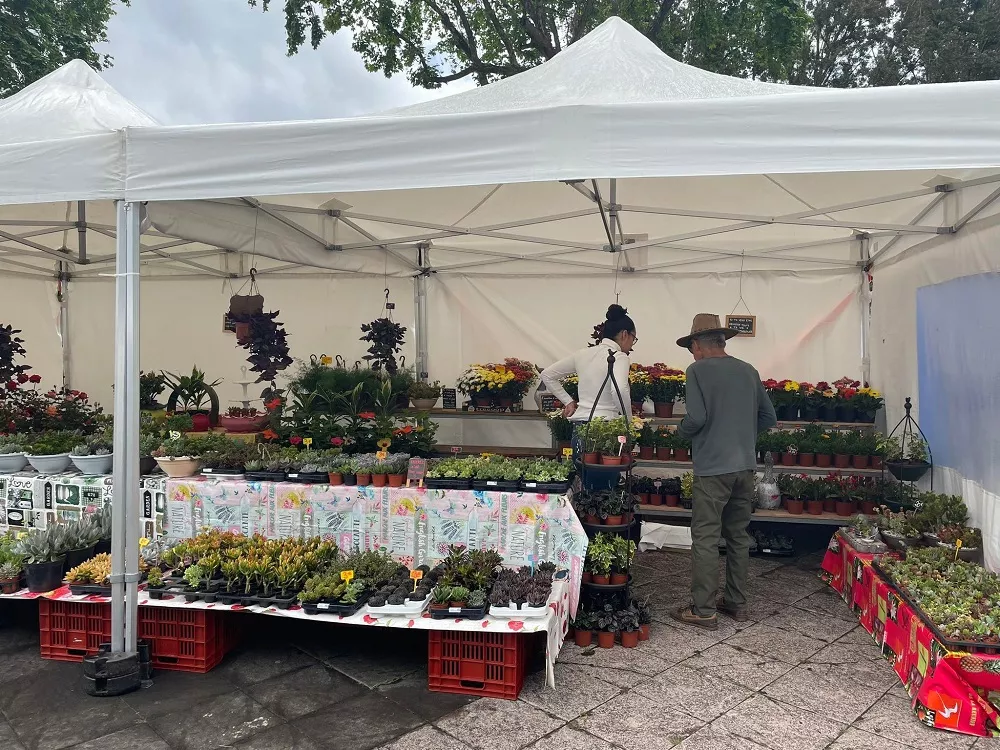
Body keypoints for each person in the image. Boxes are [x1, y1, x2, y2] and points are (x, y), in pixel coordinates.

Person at [669, 313, 776, 631]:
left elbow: (696, 418)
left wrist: (680, 432)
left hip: (712, 468)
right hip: (745, 466)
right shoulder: (748, 370)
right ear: (722, 341)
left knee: (705, 537)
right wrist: (742, 434)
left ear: (698, 344)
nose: (692, 353)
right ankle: (736, 602)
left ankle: (703, 610)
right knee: (738, 536)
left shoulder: (697, 371)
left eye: (691, 347)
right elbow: (768, 417)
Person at [539, 304, 636, 424]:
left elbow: (547, 375)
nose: (632, 344)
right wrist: (628, 420)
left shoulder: (582, 354)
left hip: (579, 423)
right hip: (605, 424)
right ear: (625, 334)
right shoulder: (619, 357)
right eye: (633, 339)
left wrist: (568, 401)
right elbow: (619, 390)